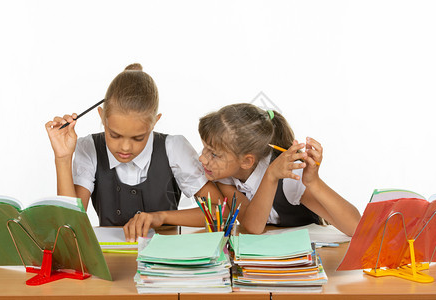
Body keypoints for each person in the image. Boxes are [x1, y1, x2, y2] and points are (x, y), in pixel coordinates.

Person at [45, 63, 222, 240]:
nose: (125, 148)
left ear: (155, 122)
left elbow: (221, 210)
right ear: (101, 116)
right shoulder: (90, 147)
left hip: (164, 263)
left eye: (138, 138)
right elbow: (69, 226)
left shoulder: (174, 147)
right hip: (110, 262)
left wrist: (161, 217)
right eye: (114, 135)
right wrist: (63, 157)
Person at [198, 103, 361, 236]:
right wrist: (270, 177)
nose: (202, 158)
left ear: (247, 161)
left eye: (213, 154)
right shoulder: (225, 177)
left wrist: (313, 182)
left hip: (309, 258)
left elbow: (355, 228)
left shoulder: (290, 176)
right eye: (204, 148)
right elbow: (253, 226)